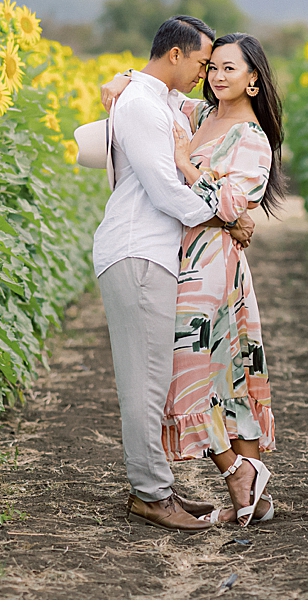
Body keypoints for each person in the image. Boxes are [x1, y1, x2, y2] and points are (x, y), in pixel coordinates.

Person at [102, 32, 285, 527]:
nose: (217, 77)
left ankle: (241, 475)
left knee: (208, 367)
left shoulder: (252, 140)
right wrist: (118, 80)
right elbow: (155, 89)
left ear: (253, 80)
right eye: (214, 67)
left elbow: (232, 203)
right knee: (206, 369)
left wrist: (187, 167)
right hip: (177, 252)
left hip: (211, 265)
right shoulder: (198, 116)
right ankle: (249, 485)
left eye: (231, 69)